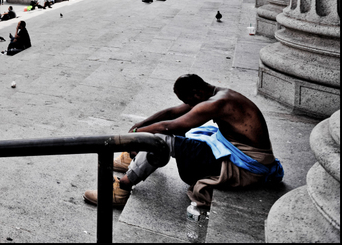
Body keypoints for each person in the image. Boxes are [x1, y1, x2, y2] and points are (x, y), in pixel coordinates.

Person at [83, 74, 284, 209]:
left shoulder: (218, 103)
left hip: (244, 166)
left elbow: (170, 127)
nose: (186, 105)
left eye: (188, 101)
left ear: (196, 93)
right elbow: (171, 112)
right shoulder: (214, 94)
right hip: (237, 152)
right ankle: (136, 159)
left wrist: (134, 136)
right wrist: (138, 126)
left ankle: (122, 188)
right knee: (179, 134)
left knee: (161, 139)